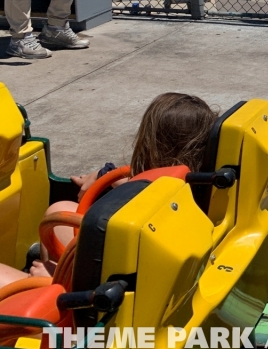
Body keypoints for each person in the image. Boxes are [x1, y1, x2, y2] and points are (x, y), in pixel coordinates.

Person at [0, 93, 218, 287]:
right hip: (137, 282)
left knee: (57, 220)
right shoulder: (198, 190)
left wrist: (55, 279)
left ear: (149, 143)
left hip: (94, 301)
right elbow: (145, 183)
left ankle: (46, 295)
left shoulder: (149, 208)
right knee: (60, 210)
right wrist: (107, 175)